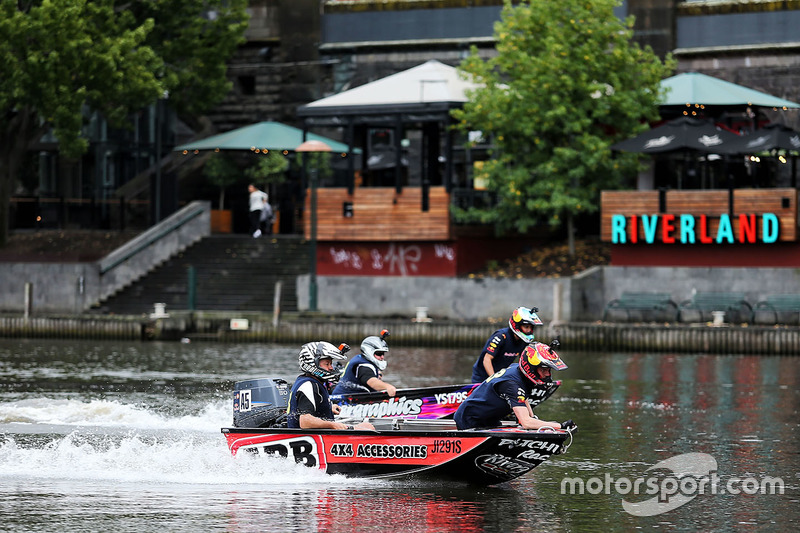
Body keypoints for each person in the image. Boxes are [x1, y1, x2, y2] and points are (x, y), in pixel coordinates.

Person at [455, 342, 576, 431]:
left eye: (549, 370)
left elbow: (523, 397)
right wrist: (561, 426)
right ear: (531, 367)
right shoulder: (511, 385)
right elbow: (526, 423)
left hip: (489, 420)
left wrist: (533, 417)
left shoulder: (516, 369)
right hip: (470, 422)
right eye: (544, 369)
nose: (548, 374)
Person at [287, 341, 375, 430]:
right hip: (305, 440)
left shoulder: (312, 382)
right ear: (313, 364)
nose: (331, 368)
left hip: (318, 437)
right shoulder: (308, 385)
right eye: (327, 364)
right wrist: (334, 425)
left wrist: (326, 407)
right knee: (367, 428)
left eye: (330, 363)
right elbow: (305, 422)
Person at [471, 306, 543, 383]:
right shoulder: (501, 336)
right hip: (482, 377)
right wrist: (494, 380)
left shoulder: (524, 341)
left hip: (501, 376)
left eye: (531, 327)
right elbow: (487, 359)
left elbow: (524, 362)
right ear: (517, 325)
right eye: (526, 326)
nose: (529, 330)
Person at [332, 330, 397, 397]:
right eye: (379, 354)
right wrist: (388, 387)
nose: (382, 357)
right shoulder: (363, 366)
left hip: (353, 398)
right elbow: (372, 382)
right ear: (369, 351)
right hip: (343, 400)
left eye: (383, 353)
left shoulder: (361, 359)